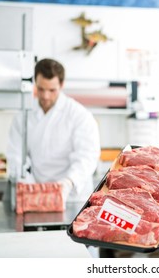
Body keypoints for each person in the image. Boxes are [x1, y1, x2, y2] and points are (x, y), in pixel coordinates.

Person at [6, 58, 101, 203]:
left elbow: (87, 156)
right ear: (35, 84)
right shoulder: (23, 116)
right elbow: (16, 156)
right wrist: (30, 187)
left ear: (61, 85)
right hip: (36, 194)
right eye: (41, 89)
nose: (45, 96)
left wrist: (67, 183)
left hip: (71, 198)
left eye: (52, 90)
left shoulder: (79, 115)